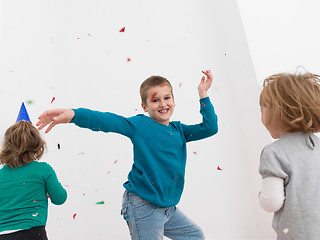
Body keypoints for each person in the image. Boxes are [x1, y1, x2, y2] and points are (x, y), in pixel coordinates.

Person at [36, 70, 218, 240]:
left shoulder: (179, 130)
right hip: (143, 205)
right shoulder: (140, 125)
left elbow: (210, 128)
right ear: (144, 106)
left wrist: (203, 93)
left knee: (195, 236)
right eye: (155, 100)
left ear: (173, 100)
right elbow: (109, 121)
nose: (163, 104)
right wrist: (74, 114)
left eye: (167, 98)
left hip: (167, 208)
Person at [258, 71, 320, 239]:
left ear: (276, 113)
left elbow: (272, 201)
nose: (261, 117)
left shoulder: (274, 152)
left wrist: (261, 197)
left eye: (262, 110)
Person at [0, 120, 67, 240]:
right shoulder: (43, 170)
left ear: (6, 145)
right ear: (37, 145)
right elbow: (59, 199)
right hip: (33, 233)